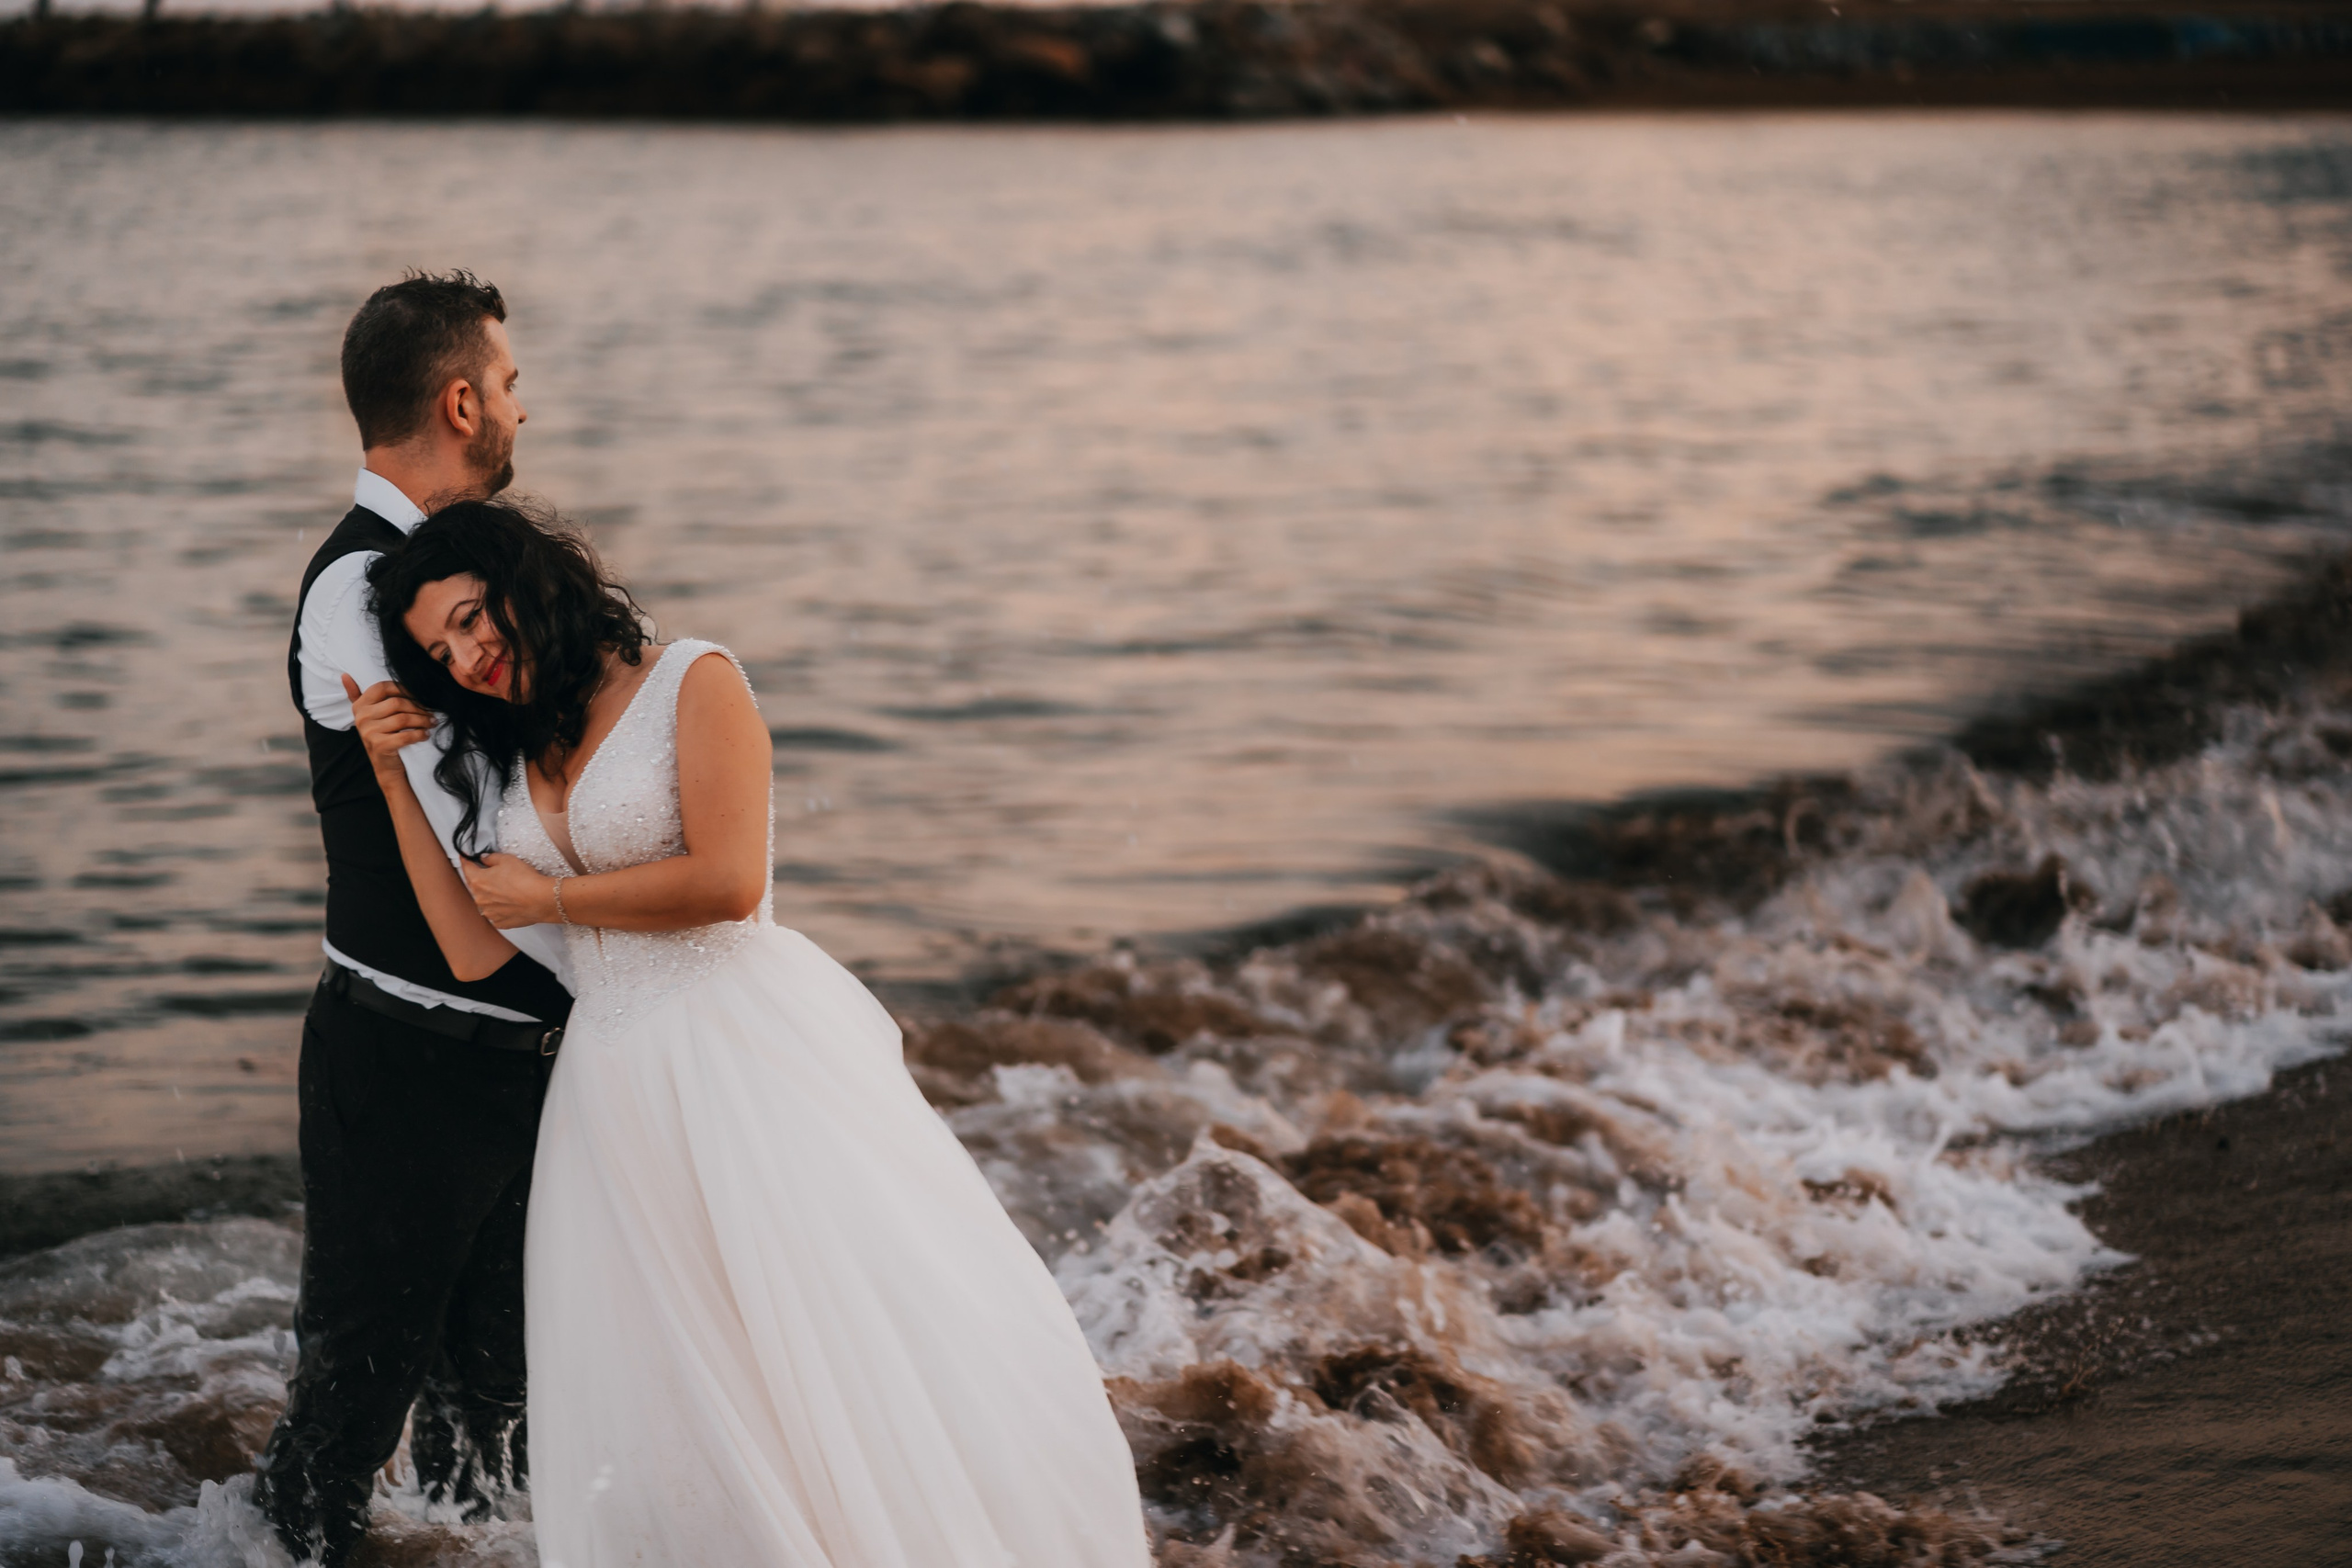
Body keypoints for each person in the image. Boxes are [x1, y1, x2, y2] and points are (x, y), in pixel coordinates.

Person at [347, 498, 1153, 1565]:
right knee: (673, 1381)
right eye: (439, 651)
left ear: (526, 579)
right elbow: (468, 950)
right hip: (610, 1088)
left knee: (829, 1337)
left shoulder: (692, 679)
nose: (465, 657)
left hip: (742, 1050)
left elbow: (726, 882)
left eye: (469, 618)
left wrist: (552, 899)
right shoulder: (509, 752)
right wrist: (391, 781)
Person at [260, 271, 574, 1565]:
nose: (518, 407)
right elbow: (497, 791)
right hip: (407, 1061)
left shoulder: (458, 577)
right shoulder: (361, 590)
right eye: (506, 383)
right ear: (457, 401)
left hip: (522, 1061)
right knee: (351, 1405)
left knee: (492, 1412)